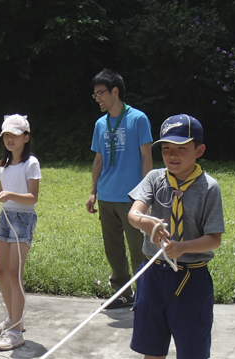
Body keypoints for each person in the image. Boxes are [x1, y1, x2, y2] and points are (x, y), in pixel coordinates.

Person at [128, 115, 224, 359]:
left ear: (199, 150)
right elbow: (134, 213)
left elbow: (214, 238)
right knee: (152, 350)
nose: (172, 155)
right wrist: (147, 224)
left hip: (191, 281)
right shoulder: (155, 179)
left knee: (192, 355)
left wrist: (183, 247)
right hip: (155, 278)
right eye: (166, 148)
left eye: (181, 148)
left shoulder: (208, 187)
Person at [86, 69, 153, 309]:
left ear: (116, 91)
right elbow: (98, 160)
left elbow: (147, 157)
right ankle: (122, 292)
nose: (98, 99)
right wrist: (93, 191)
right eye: (95, 95)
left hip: (132, 198)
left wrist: (147, 193)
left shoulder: (138, 119)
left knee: (138, 249)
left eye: (101, 93)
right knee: (113, 249)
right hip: (107, 196)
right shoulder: (100, 124)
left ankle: (145, 294)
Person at [0, 114, 41, 351]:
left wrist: (8, 196)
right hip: (4, 218)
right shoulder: (3, 165)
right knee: (1, 271)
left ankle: (16, 330)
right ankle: (12, 317)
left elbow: (32, 197)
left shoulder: (31, 163)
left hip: (23, 219)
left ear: (26, 138)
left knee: (15, 273)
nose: (10, 140)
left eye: (15, 135)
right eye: (6, 135)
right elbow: (0, 192)